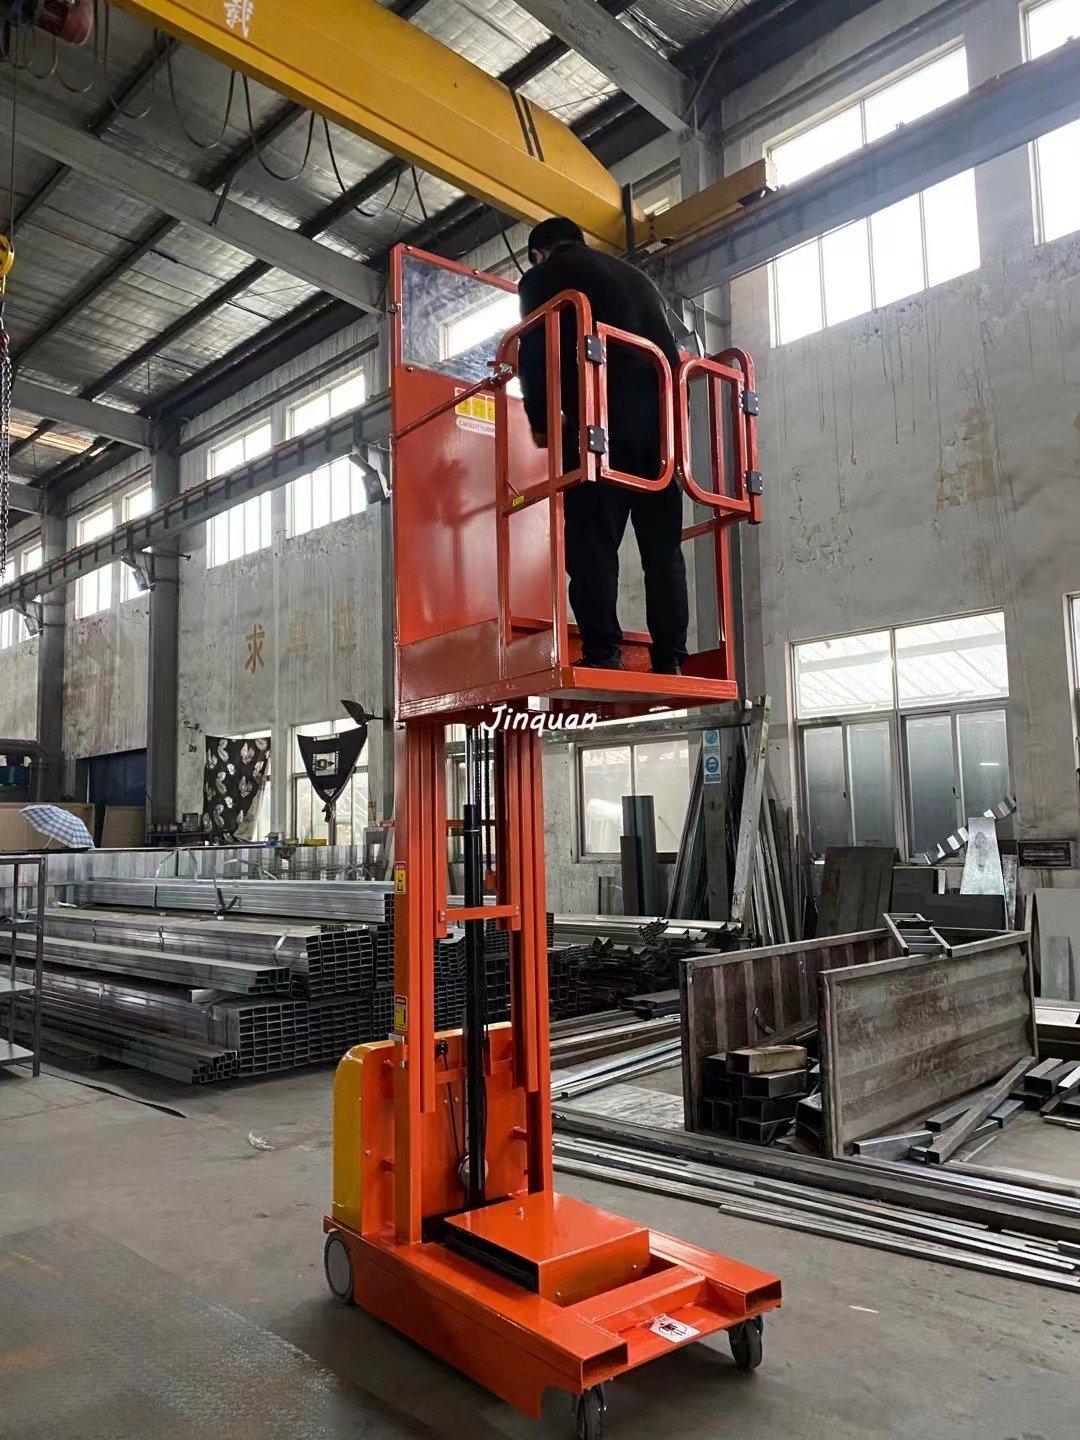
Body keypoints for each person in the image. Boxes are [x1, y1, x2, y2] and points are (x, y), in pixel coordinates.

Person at [516, 215, 689, 675]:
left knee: (592, 541)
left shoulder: (544, 276)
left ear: (538, 254)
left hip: (601, 428)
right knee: (663, 552)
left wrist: (542, 421)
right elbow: (671, 354)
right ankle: (671, 657)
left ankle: (603, 652)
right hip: (662, 437)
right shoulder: (637, 278)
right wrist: (673, 432)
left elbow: (535, 349)